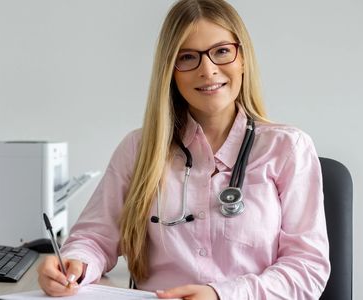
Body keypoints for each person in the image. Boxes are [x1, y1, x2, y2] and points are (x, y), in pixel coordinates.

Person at [37, 0, 330, 299]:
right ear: (171, 71)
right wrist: (74, 265)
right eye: (188, 57)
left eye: (222, 51)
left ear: (243, 58)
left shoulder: (287, 148)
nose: (208, 70)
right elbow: (94, 238)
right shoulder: (139, 149)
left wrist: (221, 295)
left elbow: (307, 268)